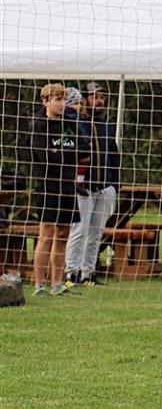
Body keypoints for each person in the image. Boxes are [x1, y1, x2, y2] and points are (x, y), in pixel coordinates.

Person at [27, 83, 88, 296]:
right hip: (47, 185)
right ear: (46, 101)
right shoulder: (38, 125)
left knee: (63, 233)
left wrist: (61, 154)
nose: (62, 104)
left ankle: (57, 284)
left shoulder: (69, 124)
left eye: (63, 99)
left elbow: (84, 151)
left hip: (68, 185)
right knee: (46, 234)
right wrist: (65, 155)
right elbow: (45, 157)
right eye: (57, 99)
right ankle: (38, 285)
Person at [64, 82, 121, 286]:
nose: (99, 101)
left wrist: (115, 184)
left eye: (102, 97)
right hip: (83, 187)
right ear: (85, 100)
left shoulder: (106, 126)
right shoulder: (77, 123)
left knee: (96, 233)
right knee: (79, 230)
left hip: (104, 187)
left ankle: (88, 273)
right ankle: (71, 273)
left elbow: (114, 157)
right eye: (94, 97)